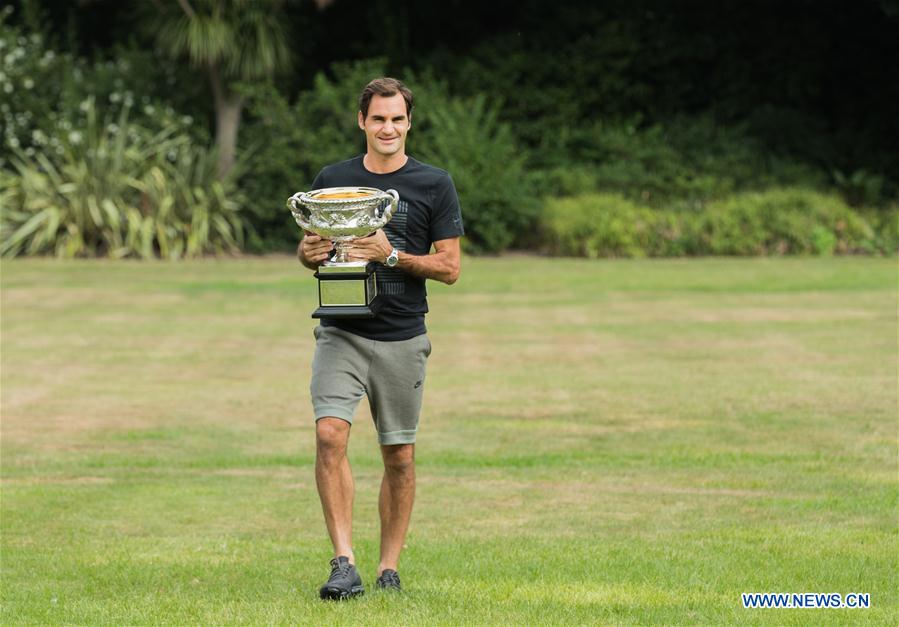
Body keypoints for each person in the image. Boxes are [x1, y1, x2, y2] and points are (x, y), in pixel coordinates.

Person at [296, 77, 464, 600]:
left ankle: (388, 565)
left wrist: (389, 255)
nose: (387, 128)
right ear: (362, 122)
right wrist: (310, 255)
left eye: (396, 119)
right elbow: (312, 252)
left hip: (402, 335)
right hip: (341, 330)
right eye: (378, 119)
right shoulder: (335, 179)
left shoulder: (434, 184)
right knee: (329, 435)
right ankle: (343, 562)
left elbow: (451, 267)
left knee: (400, 456)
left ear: (408, 123)